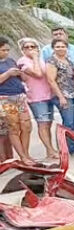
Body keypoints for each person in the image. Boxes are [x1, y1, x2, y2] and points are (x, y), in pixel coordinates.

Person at [17, 38, 57, 162]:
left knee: (48, 123)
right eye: (27, 47)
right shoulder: (22, 62)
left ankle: (50, 150)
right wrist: (34, 58)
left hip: (47, 95)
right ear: (22, 50)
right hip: (36, 97)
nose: (30, 49)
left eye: (33, 46)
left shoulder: (41, 59)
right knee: (42, 123)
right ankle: (50, 150)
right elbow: (38, 74)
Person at [0, 37, 37, 165]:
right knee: (13, 127)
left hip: (19, 95)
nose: (6, 52)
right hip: (5, 98)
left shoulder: (11, 61)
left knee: (26, 126)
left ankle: (26, 154)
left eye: (7, 50)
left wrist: (20, 73)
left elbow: (24, 78)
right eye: (3, 50)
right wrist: (8, 74)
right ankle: (22, 156)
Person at [46, 39, 74, 154]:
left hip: (73, 94)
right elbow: (51, 80)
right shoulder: (52, 61)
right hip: (63, 95)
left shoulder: (68, 60)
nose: (60, 49)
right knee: (68, 123)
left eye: (63, 46)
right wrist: (61, 97)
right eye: (57, 47)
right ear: (53, 48)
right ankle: (71, 149)